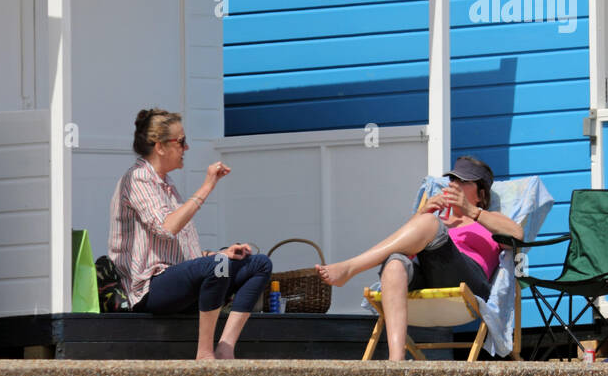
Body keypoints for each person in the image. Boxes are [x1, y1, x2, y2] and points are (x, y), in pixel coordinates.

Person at [318, 156, 522, 360]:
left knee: (430, 225)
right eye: (452, 180)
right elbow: (404, 243)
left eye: (463, 181)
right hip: (429, 275)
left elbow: (517, 235)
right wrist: (422, 213)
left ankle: (351, 267)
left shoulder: (489, 219)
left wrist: (471, 211)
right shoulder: (436, 218)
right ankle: (396, 361)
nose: (454, 185)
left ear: (481, 194)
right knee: (395, 262)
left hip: (469, 280)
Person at [109, 108, 272, 360]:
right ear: (160, 146)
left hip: (175, 281)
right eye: (181, 142)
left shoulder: (167, 184)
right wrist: (207, 186)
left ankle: (225, 348)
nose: (187, 148)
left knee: (259, 264)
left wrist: (220, 253)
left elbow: (183, 254)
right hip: (150, 289)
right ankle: (204, 354)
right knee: (217, 266)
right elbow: (167, 228)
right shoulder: (137, 179)